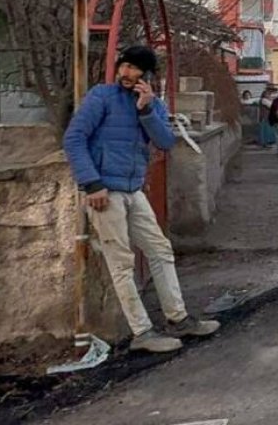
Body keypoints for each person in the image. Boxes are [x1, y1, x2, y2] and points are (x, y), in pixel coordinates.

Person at [63, 46, 220, 353]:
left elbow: (164, 142)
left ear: (146, 76)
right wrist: (91, 183)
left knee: (160, 250)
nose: (127, 73)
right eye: (124, 66)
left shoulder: (153, 105)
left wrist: (146, 109)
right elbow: (74, 138)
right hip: (104, 192)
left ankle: (178, 318)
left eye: (135, 69)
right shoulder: (101, 97)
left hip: (134, 189)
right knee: (122, 262)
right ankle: (142, 332)